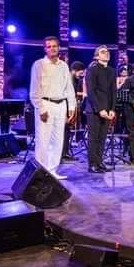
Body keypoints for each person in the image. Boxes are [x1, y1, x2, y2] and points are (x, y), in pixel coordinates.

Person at [29, 36, 77, 180]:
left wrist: (71, 106)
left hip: (60, 105)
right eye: (49, 46)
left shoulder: (64, 66)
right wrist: (40, 108)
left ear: (59, 47)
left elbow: (69, 87)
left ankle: (52, 171)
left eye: (54, 46)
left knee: (58, 140)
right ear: (45, 49)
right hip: (46, 104)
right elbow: (34, 89)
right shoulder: (39, 64)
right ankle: (41, 173)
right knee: (43, 140)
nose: (52, 49)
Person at [84, 45, 117, 173]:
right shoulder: (92, 70)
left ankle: (99, 162)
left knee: (103, 137)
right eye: (103, 52)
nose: (106, 53)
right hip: (94, 109)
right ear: (97, 56)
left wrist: (112, 109)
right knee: (94, 137)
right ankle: (92, 164)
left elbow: (113, 91)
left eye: (107, 52)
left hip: (107, 109)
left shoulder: (112, 71)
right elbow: (91, 92)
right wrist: (99, 109)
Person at [62, 61, 86, 162]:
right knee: (63, 132)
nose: (81, 75)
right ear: (74, 71)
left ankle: (65, 153)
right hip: (64, 108)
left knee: (67, 132)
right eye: (81, 72)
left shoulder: (76, 80)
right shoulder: (67, 79)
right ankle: (62, 154)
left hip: (70, 108)